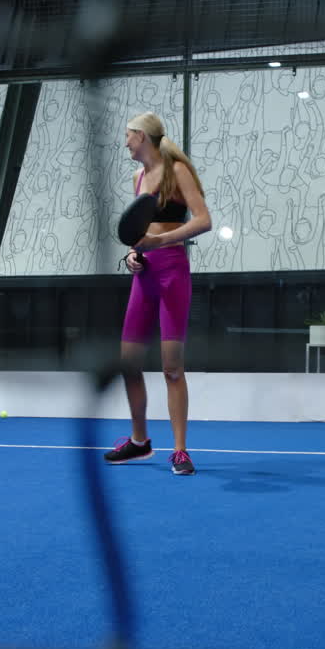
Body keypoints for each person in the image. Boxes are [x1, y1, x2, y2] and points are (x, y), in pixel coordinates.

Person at [103, 113, 212, 476]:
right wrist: (135, 253)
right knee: (129, 362)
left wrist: (159, 242)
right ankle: (139, 442)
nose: (125, 143)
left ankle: (180, 451)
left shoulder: (176, 172)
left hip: (172, 272)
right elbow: (139, 232)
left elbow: (202, 220)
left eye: (128, 136)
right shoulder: (137, 179)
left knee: (171, 367)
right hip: (144, 275)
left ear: (143, 137)